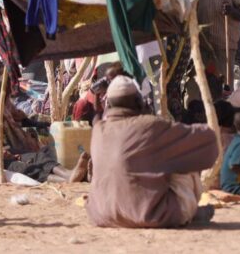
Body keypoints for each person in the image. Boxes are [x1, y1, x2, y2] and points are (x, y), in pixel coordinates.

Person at [86, 76, 218, 228]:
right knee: (184, 155)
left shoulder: (98, 130)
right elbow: (208, 141)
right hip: (152, 215)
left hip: (102, 214)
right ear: (138, 101)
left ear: (108, 104)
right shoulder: (150, 126)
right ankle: (189, 211)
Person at [197, 0, 240, 82]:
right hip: (201, 44)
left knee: (224, 85)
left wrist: (231, 11)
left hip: (224, 46)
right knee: (197, 83)